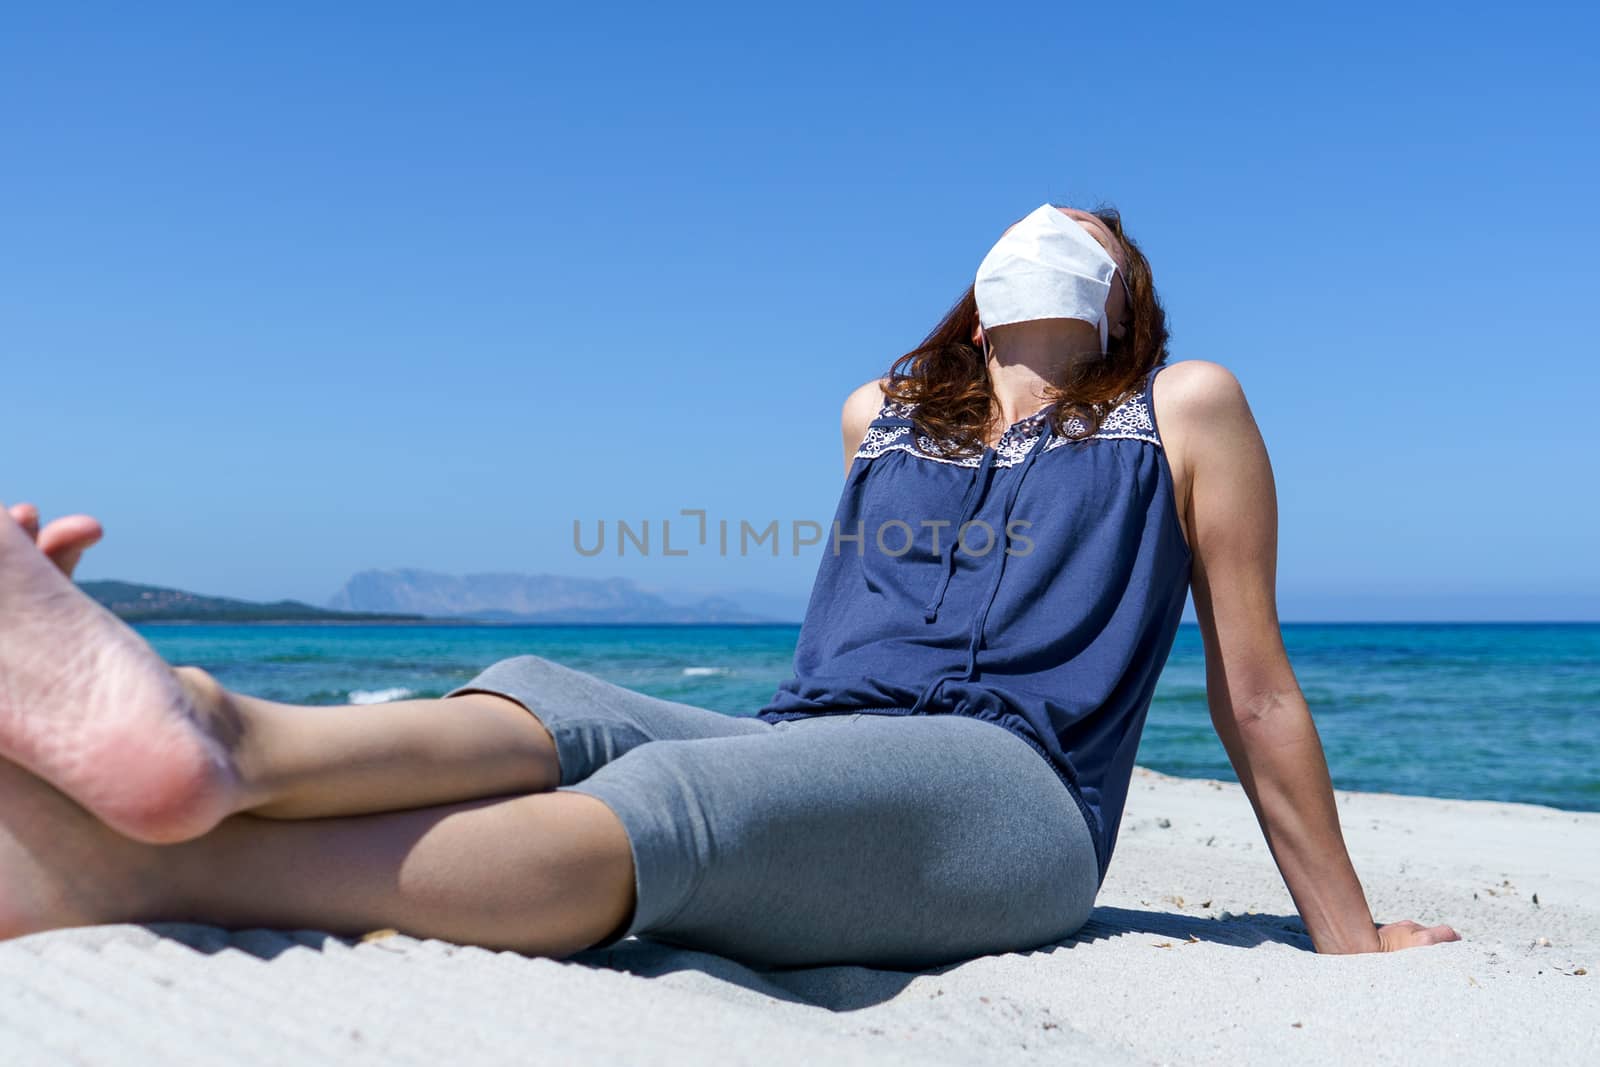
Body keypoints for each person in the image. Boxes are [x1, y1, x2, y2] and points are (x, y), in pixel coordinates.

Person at [0, 203, 1458, 968]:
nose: (1048, 225)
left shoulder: (1183, 407)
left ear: (1120, 296)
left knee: (676, 817)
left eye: (1091, 232)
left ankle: (161, 861)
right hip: (807, 729)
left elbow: (1249, 684)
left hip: (1016, 794)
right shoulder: (877, 411)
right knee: (553, 694)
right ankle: (213, 735)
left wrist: (1346, 932)